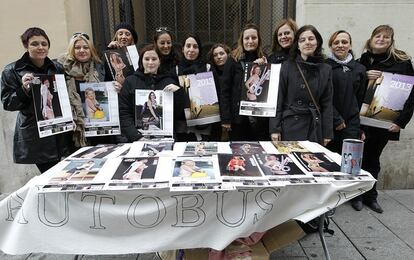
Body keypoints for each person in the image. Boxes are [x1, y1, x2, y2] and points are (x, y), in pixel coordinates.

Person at [354, 25, 414, 213]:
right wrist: (364, 75)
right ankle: (356, 195)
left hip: (384, 122)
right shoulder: (362, 61)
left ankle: (371, 196)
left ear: (391, 41)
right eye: (378, 36)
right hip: (360, 121)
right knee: (357, 158)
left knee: (373, 159)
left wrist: (400, 122)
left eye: (386, 37)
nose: (381, 39)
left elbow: (411, 95)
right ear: (371, 40)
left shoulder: (402, 62)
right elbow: (352, 89)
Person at [1, 27, 72, 173]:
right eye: (34, 44)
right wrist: (24, 90)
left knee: (59, 176)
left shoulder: (57, 67)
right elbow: (8, 103)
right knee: (50, 175)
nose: (40, 47)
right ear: (26, 46)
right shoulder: (12, 70)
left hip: (59, 131)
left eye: (44, 44)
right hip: (35, 135)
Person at [269, 25, 333, 146]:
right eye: (302, 40)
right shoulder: (287, 67)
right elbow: (278, 99)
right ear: (297, 45)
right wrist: (274, 129)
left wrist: (327, 132)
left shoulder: (326, 69)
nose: (307, 43)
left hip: (314, 127)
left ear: (318, 42)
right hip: (290, 126)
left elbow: (327, 103)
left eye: (311, 39)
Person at [57, 32, 122, 147]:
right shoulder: (61, 69)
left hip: (99, 130)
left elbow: (110, 93)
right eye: (77, 47)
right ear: (72, 50)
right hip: (74, 129)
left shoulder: (101, 66)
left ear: (91, 49)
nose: (82, 50)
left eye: (86, 47)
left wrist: (116, 88)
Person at [118, 44, 179, 142]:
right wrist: (136, 137)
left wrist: (179, 92)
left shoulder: (169, 81)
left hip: (166, 139)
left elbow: (179, 113)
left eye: (154, 59)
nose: (150, 62)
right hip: (138, 139)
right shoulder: (130, 81)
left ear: (160, 61)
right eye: (147, 59)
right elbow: (124, 113)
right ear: (141, 61)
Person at [220, 23, 268, 141]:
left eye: (254, 38)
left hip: (259, 117)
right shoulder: (233, 59)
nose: (250, 41)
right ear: (242, 40)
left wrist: (263, 65)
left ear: (259, 40)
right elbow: (225, 91)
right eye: (247, 38)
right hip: (238, 119)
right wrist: (226, 119)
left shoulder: (265, 59)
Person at [325, 30, 366, 154]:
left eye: (344, 42)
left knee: (349, 164)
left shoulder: (360, 69)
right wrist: (335, 118)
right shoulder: (324, 67)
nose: (340, 45)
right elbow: (321, 97)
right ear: (331, 46)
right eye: (336, 42)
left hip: (351, 126)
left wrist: (360, 128)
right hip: (329, 124)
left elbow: (361, 99)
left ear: (350, 45)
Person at [174, 34, 213, 141]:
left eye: (195, 47)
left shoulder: (207, 67)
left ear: (199, 50)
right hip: (181, 126)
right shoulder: (176, 69)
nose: (191, 50)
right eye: (188, 46)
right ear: (183, 49)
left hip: (203, 126)